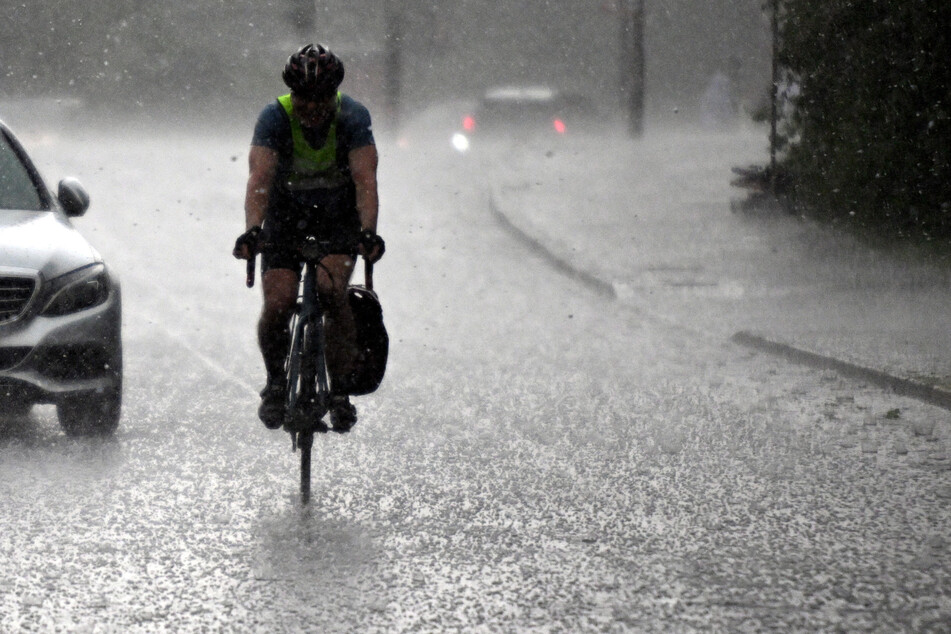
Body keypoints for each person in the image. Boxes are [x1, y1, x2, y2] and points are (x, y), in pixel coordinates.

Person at [233, 43, 384, 432]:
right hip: (285, 218)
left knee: (331, 291)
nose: (311, 108)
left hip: (338, 219)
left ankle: (338, 391)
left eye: (321, 99)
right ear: (292, 94)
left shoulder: (352, 117)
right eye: (303, 98)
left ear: (334, 95)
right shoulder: (274, 117)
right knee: (279, 303)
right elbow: (259, 180)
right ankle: (276, 383)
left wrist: (368, 232)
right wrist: (253, 229)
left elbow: (365, 181)